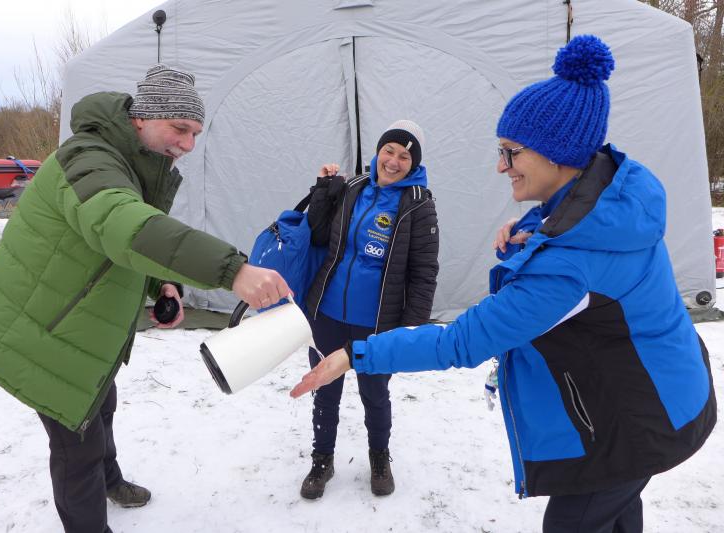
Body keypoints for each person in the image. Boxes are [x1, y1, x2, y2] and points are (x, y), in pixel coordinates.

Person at [290, 35, 716, 533]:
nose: (500, 166)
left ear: (558, 155)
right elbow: (574, 232)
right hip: (664, 392)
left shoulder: (566, 265)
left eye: (511, 153)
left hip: (633, 423)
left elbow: (462, 340)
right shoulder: (615, 194)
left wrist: (356, 354)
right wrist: (534, 230)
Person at [0, 65, 290, 533]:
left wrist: (162, 284)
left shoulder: (133, 163)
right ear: (141, 118)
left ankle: (110, 480)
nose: (188, 144)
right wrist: (232, 270)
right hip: (39, 333)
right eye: (180, 128)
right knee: (77, 447)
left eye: (195, 133)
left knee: (101, 406)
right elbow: (123, 226)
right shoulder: (88, 160)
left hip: (79, 328)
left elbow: (123, 243)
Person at [299, 120, 439, 499]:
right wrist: (323, 190)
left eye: (404, 156)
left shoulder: (419, 205)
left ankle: (379, 458)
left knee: (375, 394)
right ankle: (322, 459)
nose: (393, 161)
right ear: (378, 152)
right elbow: (317, 234)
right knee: (323, 388)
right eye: (388, 151)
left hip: (376, 324)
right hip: (328, 313)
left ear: (414, 164)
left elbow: (424, 273)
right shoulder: (354, 188)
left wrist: (410, 330)